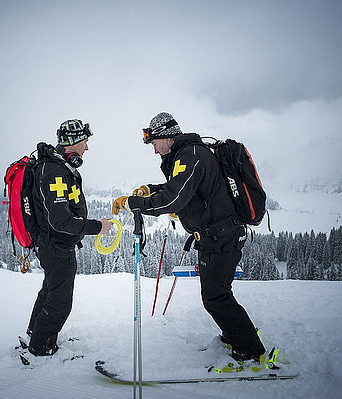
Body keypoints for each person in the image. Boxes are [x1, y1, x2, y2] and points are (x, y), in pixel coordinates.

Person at [112, 112, 266, 362]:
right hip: (216, 236)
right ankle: (234, 336)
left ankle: (250, 351)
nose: (154, 151)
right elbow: (179, 188)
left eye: (154, 144)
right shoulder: (190, 154)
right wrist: (150, 190)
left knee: (216, 297)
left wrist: (134, 203)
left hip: (221, 237)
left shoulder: (189, 156)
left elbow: (174, 198)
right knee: (218, 294)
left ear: (167, 138)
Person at [26, 119, 113, 357]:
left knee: (50, 291)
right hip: (56, 246)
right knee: (60, 301)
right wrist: (98, 227)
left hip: (54, 244)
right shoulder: (53, 170)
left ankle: (36, 333)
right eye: (85, 141)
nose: (87, 147)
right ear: (73, 142)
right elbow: (60, 221)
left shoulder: (59, 167)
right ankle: (41, 347)